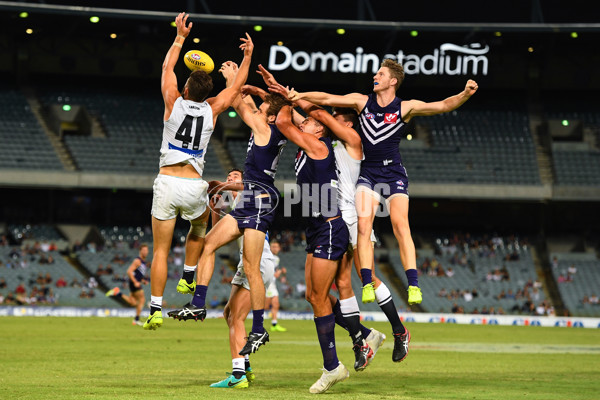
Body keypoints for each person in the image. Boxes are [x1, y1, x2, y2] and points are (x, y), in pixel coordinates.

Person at [285, 59, 479, 307]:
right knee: (364, 226)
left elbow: (441, 105)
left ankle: (414, 285)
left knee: (401, 226)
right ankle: (367, 282)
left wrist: (465, 94)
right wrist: (298, 95)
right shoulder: (362, 101)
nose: (375, 76)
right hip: (369, 173)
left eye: (380, 73)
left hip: (394, 173)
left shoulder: (405, 107)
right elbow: (326, 98)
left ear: (393, 80)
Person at [168, 65, 290, 356]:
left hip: (260, 199)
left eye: (262, 110)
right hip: (249, 197)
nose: (257, 111)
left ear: (270, 117)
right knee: (208, 244)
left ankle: (259, 329)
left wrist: (231, 80)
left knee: (251, 267)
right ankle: (198, 304)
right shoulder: (266, 124)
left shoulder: (265, 128)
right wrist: (244, 85)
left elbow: (238, 102)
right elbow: (247, 103)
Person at [144, 12, 254, 330]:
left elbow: (167, 69)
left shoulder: (172, 101)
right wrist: (247, 57)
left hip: (167, 181)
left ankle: (154, 309)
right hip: (194, 185)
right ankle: (189, 274)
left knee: (161, 250)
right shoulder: (213, 108)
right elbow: (236, 89)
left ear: (186, 89)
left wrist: (180, 37)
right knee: (198, 228)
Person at [276, 99, 365, 394]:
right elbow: (299, 120)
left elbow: (283, 123)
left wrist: (282, 100)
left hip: (330, 226)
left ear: (321, 130)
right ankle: (361, 334)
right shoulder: (310, 143)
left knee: (319, 296)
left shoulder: (319, 146)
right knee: (314, 296)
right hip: (315, 228)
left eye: (311, 123)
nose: (305, 123)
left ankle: (333, 367)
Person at [199, 168, 276, 389]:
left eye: (236, 177)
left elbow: (246, 187)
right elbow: (216, 237)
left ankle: (238, 375)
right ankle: (245, 364)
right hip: (249, 263)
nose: (231, 179)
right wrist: (216, 210)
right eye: (229, 177)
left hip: (258, 263)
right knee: (229, 314)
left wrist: (223, 186)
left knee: (237, 318)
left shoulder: (248, 197)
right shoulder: (237, 206)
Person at [106, 244, 150, 326]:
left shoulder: (143, 262)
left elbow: (137, 274)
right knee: (142, 300)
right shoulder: (138, 261)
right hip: (134, 283)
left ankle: (118, 293)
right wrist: (135, 282)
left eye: (146, 250)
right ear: (140, 251)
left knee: (132, 302)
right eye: (143, 250)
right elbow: (129, 271)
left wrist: (143, 281)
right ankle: (136, 320)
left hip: (134, 283)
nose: (145, 252)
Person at [265, 240, 287, 332]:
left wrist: (280, 273)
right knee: (265, 306)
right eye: (273, 246)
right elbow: (269, 272)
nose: (275, 248)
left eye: (276, 247)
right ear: (269, 247)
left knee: (276, 304)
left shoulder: (276, 258)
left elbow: (274, 272)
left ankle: (274, 324)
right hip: (267, 283)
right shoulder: (268, 257)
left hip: (272, 284)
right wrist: (280, 272)